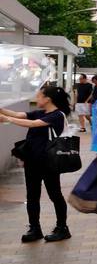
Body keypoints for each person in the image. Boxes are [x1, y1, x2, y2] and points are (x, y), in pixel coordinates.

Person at [0, 83, 73, 243]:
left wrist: (7, 119)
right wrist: (3, 110)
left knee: (55, 194)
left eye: (39, 96)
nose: (36, 98)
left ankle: (62, 228)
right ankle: (35, 228)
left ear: (47, 99)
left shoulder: (57, 115)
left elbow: (33, 124)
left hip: (49, 162)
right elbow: (19, 115)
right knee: (32, 196)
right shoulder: (41, 112)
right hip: (32, 160)